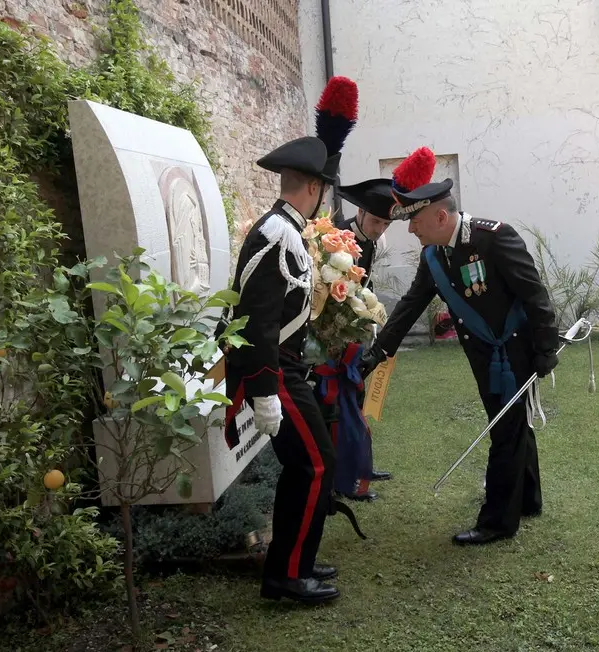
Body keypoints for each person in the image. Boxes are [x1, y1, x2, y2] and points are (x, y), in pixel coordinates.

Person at [359, 147, 559, 545]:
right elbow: (409, 308)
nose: (411, 231)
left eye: (414, 221)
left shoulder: (494, 237)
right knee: (513, 424)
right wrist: (377, 353)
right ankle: (528, 498)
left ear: (440, 216)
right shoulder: (433, 256)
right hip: (484, 353)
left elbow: (535, 295)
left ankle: (497, 522)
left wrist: (546, 347)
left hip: (517, 348)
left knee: (505, 429)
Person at [220, 77, 360, 604]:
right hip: (274, 368)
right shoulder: (278, 232)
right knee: (315, 464)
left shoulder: (289, 227)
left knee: (314, 463)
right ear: (314, 186)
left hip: (286, 366)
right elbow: (255, 317)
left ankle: (293, 563)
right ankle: (285, 577)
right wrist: (263, 391)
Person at [323, 178, 397, 501]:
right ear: (361, 212)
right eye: (376, 221)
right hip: (334, 335)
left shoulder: (372, 242)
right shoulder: (338, 238)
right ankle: (345, 477)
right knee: (342, 406)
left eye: (385, 223)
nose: (380, 228)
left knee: (360, 399)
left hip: (357, 332)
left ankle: (363, 466)